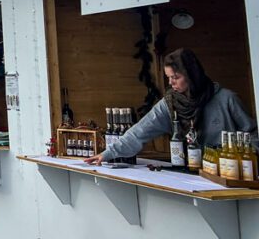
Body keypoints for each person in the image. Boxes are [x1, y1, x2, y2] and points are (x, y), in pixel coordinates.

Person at [85, 48, 257, 165]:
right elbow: (140, 131)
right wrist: (108, 153)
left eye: (175, 77)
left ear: (191, 75)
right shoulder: (170, 103)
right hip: (190, 172)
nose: (171, 83)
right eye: (168, 77)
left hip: (231, 173)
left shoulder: (226, 99)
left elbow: (253, 134)